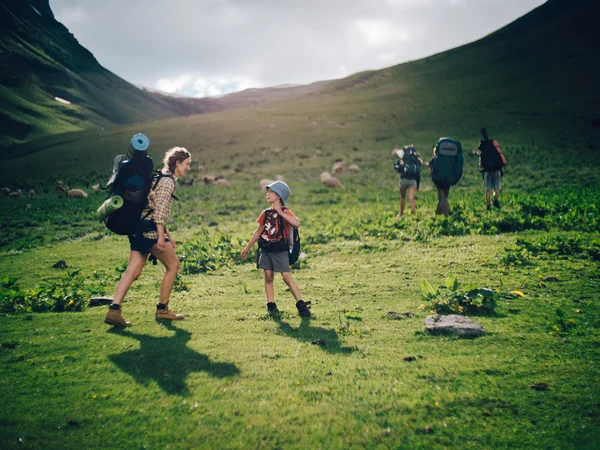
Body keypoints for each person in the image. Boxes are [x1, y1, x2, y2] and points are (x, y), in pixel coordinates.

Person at [105, 145, 192, 327]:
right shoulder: (168, 181)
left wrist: (168, 234)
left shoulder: (157, 177)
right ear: (177, 163)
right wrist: (161, 237)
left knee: (133, 270)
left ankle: (114, 310)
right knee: (173, 266)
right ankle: (162, 309)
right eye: (186, 164)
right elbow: (159, 212)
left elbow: (149, 206)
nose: (188, 168)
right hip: (151, 231)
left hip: (137, 228)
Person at [240, 181, 310, 317]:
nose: (267, 194)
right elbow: (258, 231)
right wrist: (247, 248)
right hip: (266, 249)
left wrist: (280, 213)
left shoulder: (285, 211)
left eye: (270, 192)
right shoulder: (266, 213)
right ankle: (271, 306)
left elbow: (297, 222)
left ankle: (301, 305)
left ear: (279, 195)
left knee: (286, 276)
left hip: (280, 249)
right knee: (268, 276)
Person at [478, 128, 507, 210]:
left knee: (487, 189)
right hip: (496, 170)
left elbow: (481, 165)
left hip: (487, 172)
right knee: (496, 188)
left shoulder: (483, 152)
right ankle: (495, 199)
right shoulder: (494, 148)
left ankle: (488, 206)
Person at [393, 146, 423, 217]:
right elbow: (418, 174)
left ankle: (401, 213)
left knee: (403, 197)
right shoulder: (417, 161)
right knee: (411, 198)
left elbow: (399, 169)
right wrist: (417, 186)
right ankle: (413, 213)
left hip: (404, 180)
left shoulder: (404, 158)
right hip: (413, 181)